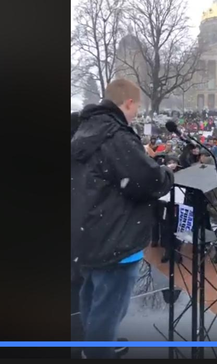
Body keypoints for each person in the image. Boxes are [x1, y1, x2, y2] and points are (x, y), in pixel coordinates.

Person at [71, 79, 174, 359]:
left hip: (88, 233)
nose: (136, 114)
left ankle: (94, 345)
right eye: (137, 108)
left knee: (91, 296)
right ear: (129, 103)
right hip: (115, 237)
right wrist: (166, 173)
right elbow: (149, 181)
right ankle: (98, 352)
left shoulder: (84, 128)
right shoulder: (116, 135)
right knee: (110, 306)